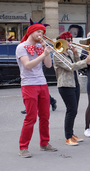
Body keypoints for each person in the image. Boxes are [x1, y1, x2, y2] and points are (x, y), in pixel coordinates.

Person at [16, 20, 57, 158]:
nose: (41, 34)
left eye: (42, 33)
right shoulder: (21, 47)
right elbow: (27, 65)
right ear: (31, 32)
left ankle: (44, 143)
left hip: (42, 83)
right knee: (31, 117)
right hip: (28, 84)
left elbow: (49, 65)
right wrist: (43, 54)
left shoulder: (40, 47)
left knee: (45, 115)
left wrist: (46, 52)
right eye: (39, 32)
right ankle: (23, 147)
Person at [53, 32, 90, 146]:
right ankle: (68, 137)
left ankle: (71, 134)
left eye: (71, 40)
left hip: (75, 83)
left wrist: (76, 53)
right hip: (65, 85)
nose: (70, 42)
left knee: (74, 110)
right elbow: (70, 67)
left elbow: (76, 63)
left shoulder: (69, 52)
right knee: (71, 110)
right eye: (68, 40)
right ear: (62, 41)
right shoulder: (57, 54)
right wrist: (86, 61)